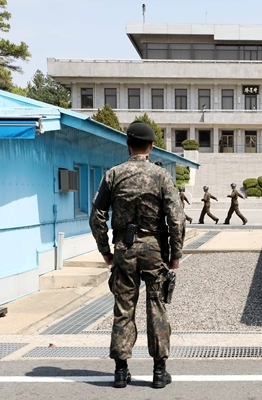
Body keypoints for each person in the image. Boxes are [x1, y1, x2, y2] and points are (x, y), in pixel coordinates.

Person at [89, 121, 184, 389]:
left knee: (123, 307)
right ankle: (158, 371)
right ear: (151, 146)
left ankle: (120, 371)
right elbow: (176, 218)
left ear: (128, 145)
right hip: (154, 248)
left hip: (124, 248)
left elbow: (96, 216)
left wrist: (105, 251)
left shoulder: (113, 175)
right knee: (157, 306)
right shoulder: (162, 176)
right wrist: (175, 254)